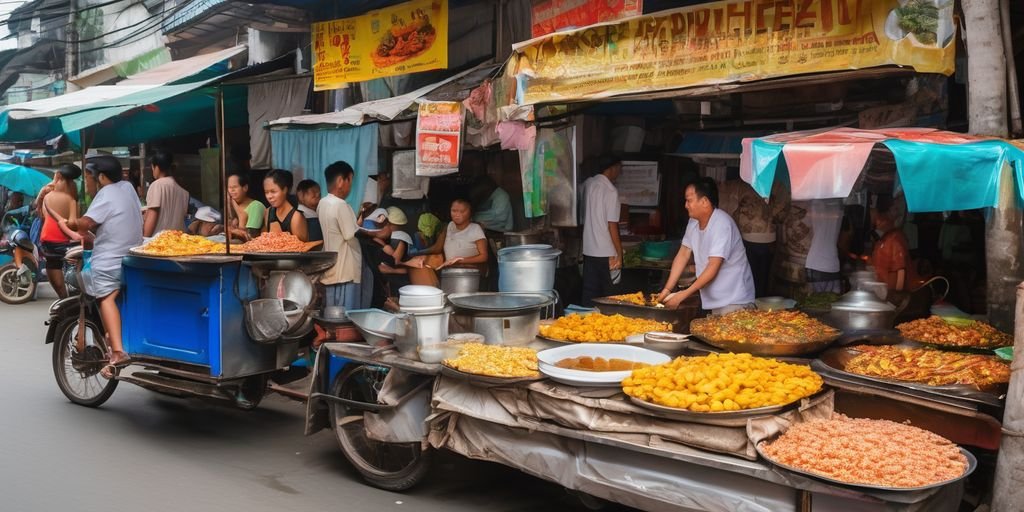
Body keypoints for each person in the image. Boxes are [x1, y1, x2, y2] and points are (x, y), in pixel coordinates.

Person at [67, 156, 143, 379]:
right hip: (131, 258)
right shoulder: (127, 188)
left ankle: (118, 352)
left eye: (88, 178)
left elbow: (85, 223)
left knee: (105, 298)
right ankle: (113, 340)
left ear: (100, 177)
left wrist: (73, 214)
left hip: (110, 262)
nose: (87, 184)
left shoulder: (106, 193)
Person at [658, 178, 756, 314]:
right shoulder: (693, 222)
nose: (686, 205)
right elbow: (683, 254)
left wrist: (683, 294)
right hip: (716, 301)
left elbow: (712, 267)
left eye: (689, 200)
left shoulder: (722, 224)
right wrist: (667, 289)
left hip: (734, 301)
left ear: (704, 202)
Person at [404, 199, 488, 286]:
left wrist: (460, 261)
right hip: (449, 269)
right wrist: (417, 253)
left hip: (470, 270)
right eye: (454, 211)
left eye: (462, 211)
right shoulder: (448, 226)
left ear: (469, 212)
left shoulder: (475, 229)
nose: (457, 214)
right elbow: (437, 248)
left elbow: (484, 256)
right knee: (416, 264)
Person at [718, 179, 775, 297]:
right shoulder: (771, 183)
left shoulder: (742, 185)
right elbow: (779, 211)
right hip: (769, 237)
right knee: (764, 276)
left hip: (749, 237)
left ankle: (754, 301)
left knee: (751, 274)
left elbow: (734, 210)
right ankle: (762, 300)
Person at [318, 161, 362, 309]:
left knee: (332, 314)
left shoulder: (322, 203)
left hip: (331, 268)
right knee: (346, 316)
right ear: (340, 181)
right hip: (346, 270)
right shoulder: (341, 205)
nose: (351, 187)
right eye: (350, 180)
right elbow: (350, 235)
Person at [580, 156, 623, 307]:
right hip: (606, 253)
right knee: (609, 296)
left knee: (589, 294)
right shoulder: (611, 191)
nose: (620, 172)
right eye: (619, 168)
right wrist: (619, 253)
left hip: (589, 250)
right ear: (613, 168)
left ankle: (585, 324)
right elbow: (612, 226)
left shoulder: (589, 184)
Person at [36, 164, 83, 298]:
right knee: (76, 262)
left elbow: (41, 214)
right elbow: (74, 223)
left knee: (53, 264)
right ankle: (75, 295)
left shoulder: (47, 197)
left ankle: (62, 296)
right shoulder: (70, 199)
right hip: (66, 240)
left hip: (47, 238)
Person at [871, 196, 914, 292]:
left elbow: (901, 270)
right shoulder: (884, 239)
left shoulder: (895, 238)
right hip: (883, 290)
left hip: (890, 292)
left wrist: (897, 294)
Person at [143, 151, 189, 237]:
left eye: (152, 168)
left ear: (156, 167)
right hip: (178, 242)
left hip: (158, 243)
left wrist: (145, 238)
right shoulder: (184, 193)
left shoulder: (156, 185)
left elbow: (153, 215)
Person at [803, 200, 844, 294]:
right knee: (827, 303)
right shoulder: (838, 203)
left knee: (818, 303)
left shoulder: (815, 203)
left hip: (819, 262)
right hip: (828, 263)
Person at [263, 169, 308, 242]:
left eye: (273, 192)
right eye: (266, 192)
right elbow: (264, 241)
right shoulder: (268, 212)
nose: (269, 196)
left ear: (285, 190)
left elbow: (302, 248)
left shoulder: (296, 218)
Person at [226, 173, 265, 241]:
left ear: (245, 188)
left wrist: (241, 217)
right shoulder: (231, 206)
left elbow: (251, 237)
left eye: (235, 187)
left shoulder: (256, 206)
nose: (232, 190)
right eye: (229, 187)